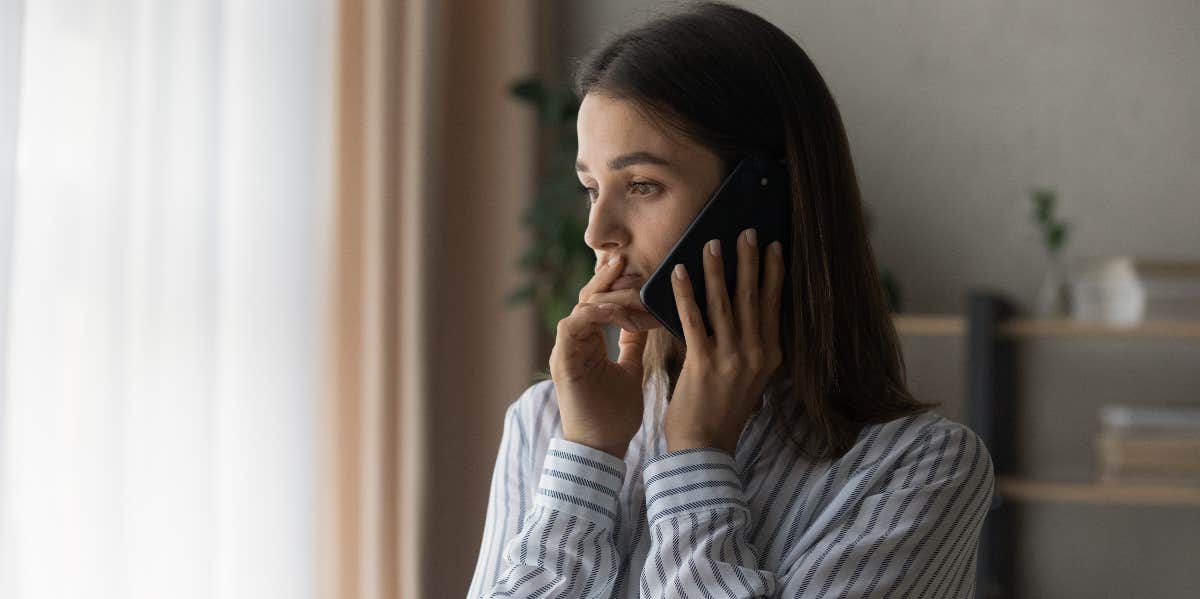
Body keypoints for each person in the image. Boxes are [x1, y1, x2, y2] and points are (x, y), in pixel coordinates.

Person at [467, 2, 993, 597]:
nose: (597, 232)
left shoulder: (918, 469)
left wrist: (698, 457)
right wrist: (588, 456)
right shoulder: (547, 423)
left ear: (764, 202)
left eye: (642, 185)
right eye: (592, 188)